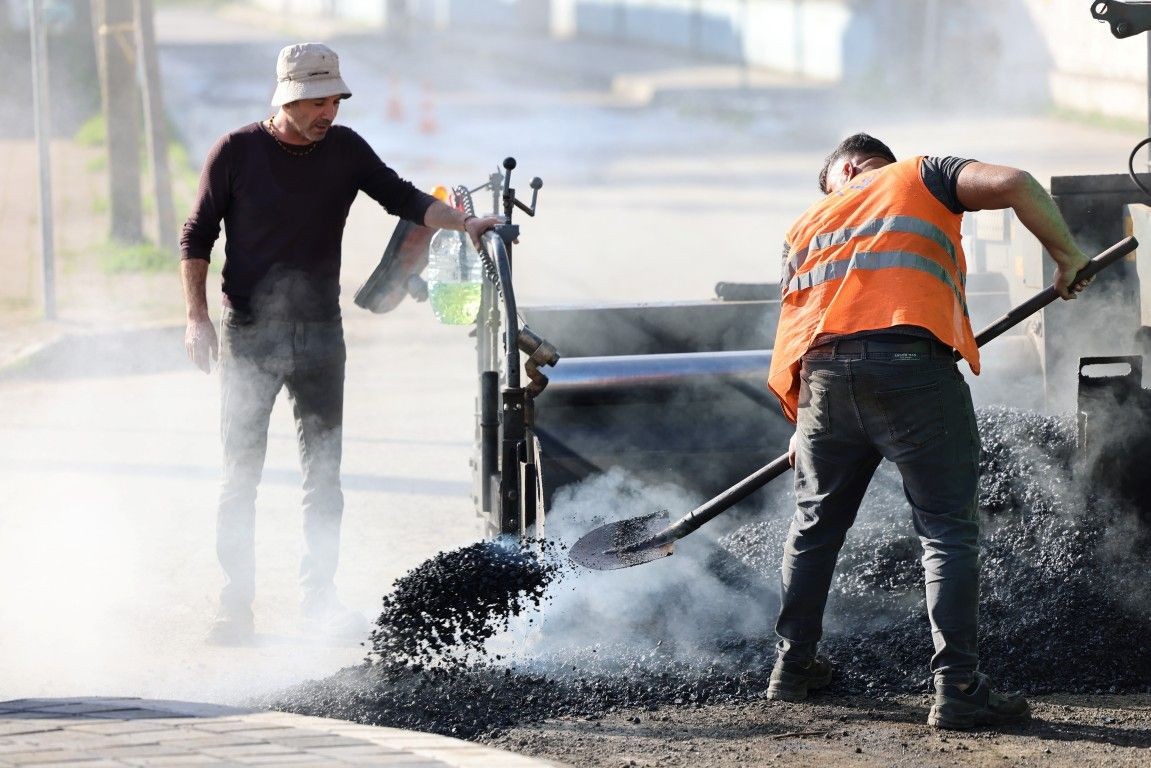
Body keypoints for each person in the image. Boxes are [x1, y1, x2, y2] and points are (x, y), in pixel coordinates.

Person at [764, 133, 1093, 728]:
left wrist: (802, 416)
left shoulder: (804, 225)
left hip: (824, 383)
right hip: (911, 370)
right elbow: (1017, 183)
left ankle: (792, 668)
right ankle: (957, 688)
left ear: (846, 168)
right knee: (945, 532)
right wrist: (1067, 257)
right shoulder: (922, 174)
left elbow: (796, 325)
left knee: (813, 529)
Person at [180, 42, 502, 645]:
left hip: (321, 336)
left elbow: (405, 198)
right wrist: (197, 318)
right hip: (249, 334)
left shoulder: (346, 149)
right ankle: (235, 606)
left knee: (323, 477)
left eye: (334, 100)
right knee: (240, 476)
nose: (328, 112)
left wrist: (466, 223)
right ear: (287, 98)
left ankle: (318, 602)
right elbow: (197, 235)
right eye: (316, 101)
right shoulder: (236, 152)